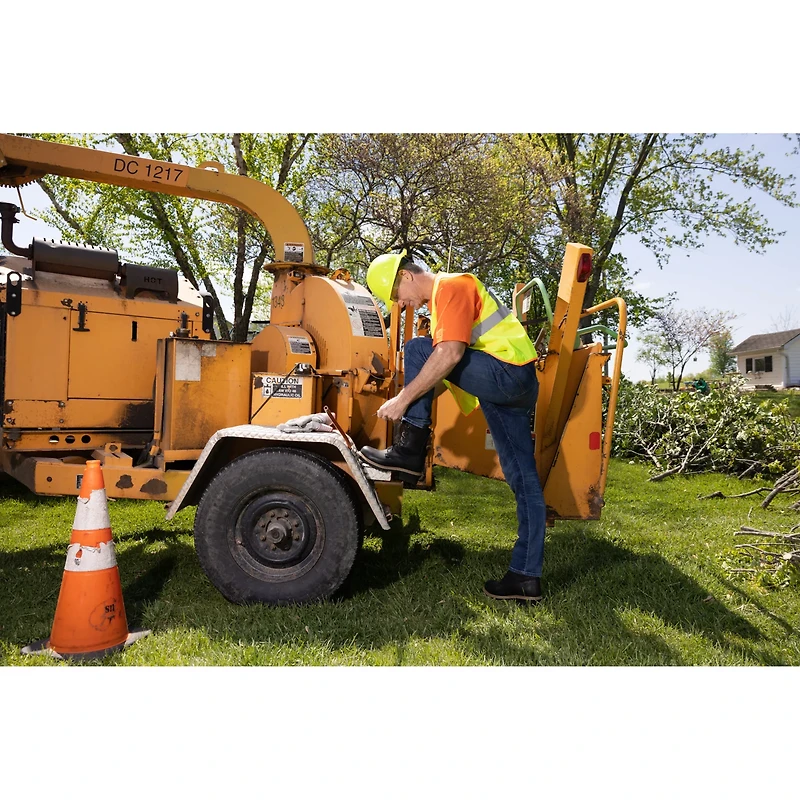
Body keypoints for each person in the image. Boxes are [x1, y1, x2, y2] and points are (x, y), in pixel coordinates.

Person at [359, 250, 546, 603]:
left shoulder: (452, 286)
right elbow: (445, 371)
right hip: (511, 384)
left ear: (408, 277)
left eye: (399, 295)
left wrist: (402, 401)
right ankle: (525, 577)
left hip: (507, 375)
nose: (403, 303)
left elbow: (449, 355)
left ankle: (410, 451)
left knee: (418, 350)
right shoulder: (449, 298)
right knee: (523, 478)